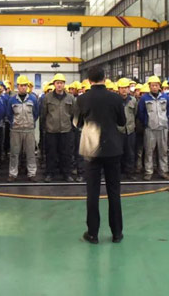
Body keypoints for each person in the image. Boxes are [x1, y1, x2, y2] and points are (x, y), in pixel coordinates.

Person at [73, 66, 126, 244]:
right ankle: (117, 233)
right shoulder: (115, 98)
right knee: (114, 192)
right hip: (112, 149)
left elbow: (76, 123)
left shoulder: (82, 99)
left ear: (89, 81)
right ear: (105, 78)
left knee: (92, 193)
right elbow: (122, 121)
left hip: (91, 149)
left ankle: (93, 234)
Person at [40, 73, 76, 183]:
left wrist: (71, 127)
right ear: (54, 84)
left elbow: (73, 113)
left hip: (66, 130)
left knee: (66, 154)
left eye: (61, 83)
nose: (59, 85)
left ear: (64, 84)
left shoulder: (70, 98)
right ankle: (50, 174)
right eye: (57, 83)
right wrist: (44, 128)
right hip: (51, 130)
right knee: (51, 153)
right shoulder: (47, 97)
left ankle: (66, 174)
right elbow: (44, 114)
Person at [136, 75, 169, 181]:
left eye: (156, 85)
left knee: (163, 151)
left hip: (163, 128)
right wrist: (147, 123)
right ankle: (148, 172)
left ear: (159, 86)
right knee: (149, 151)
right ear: (149, 86)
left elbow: (168, 111)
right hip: (150, 129)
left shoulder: (165, 98)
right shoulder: (144, 99)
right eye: (152, 85)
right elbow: (141, 113)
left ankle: (163, 171)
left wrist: (164, 121)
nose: (154, 87)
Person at [7, 75, 39, 182]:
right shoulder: (12, 100)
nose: (23, 87)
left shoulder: (33, 99)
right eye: (21, 85)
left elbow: (36, 113)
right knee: (14, 153)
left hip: (29, 130)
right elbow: (9, 114)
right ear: (18, 86)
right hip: (16, 130)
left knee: (30, 153)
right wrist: (14, 123)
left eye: (25, 85)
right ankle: (13, 174)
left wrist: (30, 122)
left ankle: (32, 173)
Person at [116, 78, 137, 179]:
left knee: (130, 153)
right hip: (118, 131)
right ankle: (118, 172)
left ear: (129, 89)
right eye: (122, 88)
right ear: (118, 89)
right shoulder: (115, 100)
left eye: (126, 88)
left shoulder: (133, 100)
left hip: (130, 130)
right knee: (118, 153)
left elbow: (135, 113)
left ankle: (130, 172)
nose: (124, 90)